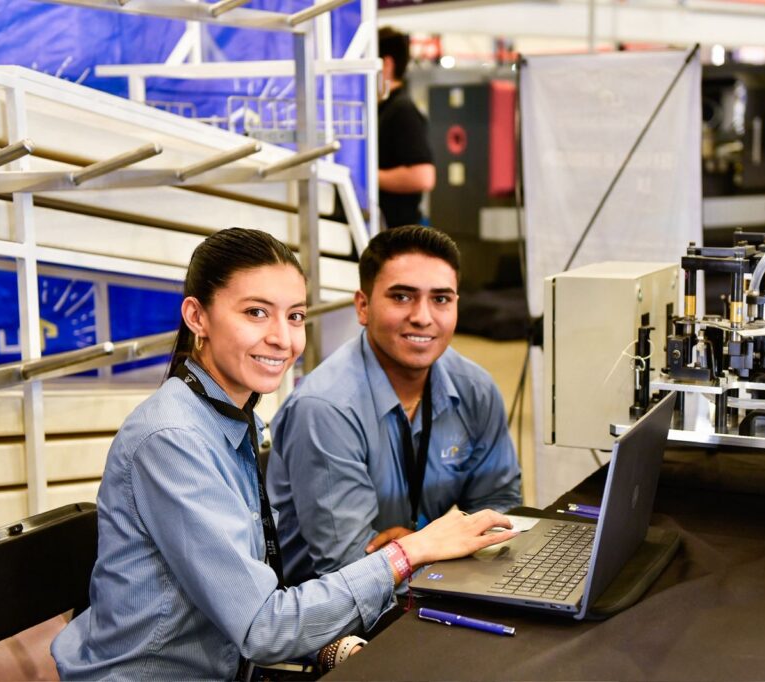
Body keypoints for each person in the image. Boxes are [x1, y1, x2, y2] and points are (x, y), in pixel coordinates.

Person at [50, 228, 516, 680]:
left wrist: (328, 644)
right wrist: (410, 551)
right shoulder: (173, 439)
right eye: (256, 312)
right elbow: (262, 627)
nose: (282, 338)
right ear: (197, 317)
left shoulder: (229, 419)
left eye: (294, 317)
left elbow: (245, 601)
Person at [268, 226, 522, 586]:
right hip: (327, 606)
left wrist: (420, 546)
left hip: (425, 583)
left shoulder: (475, 388)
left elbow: (500, 507)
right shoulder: (325, 408)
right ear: (363, 306)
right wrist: (430, 546)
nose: (423, 317)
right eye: (402, 297)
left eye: (441, 299)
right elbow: (349, 567)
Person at [378, 26, 435, 228]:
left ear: (386, 64)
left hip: (398, 232)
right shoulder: (382, 109)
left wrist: (367, 176)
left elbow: (423, 177)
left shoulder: (402, 110)